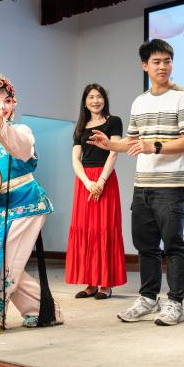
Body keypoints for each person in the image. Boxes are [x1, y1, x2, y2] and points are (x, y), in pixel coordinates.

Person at [88, 39, 184, 326]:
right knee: (145, 245)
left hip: (172, 186)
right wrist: (110, 144)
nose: (163, 67)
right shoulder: (139, 102)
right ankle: (149, 299)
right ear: (145, 66)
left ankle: (175, 303)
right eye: (156, 62)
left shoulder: (183, 98)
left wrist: (154, 146)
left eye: (167, 61)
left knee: (173, 246)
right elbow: (132, 142)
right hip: (143, 186)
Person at [0, 70, 60, 333]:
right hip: (2, 206)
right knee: (3, 261)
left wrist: (0, 128)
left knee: (2, 261)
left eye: (7, 101)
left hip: (27, 203)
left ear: (14, 104)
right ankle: (43, 310)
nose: (1, 107)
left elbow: (20, 148)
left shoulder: (21, 130)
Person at [65, 83, 127, 300]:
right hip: (85, 183)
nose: (95, 101)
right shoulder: (80, 127)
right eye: (91, 97)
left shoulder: (114, 121)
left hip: (105, 179)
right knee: (86, 229)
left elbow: (114, 152)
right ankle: (90, 283)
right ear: (85, 102)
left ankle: (106, 284)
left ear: (104, 100)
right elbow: (75, 159)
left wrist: (100, 182)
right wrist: (87, 182)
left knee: (105, 229)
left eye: (99, 96)